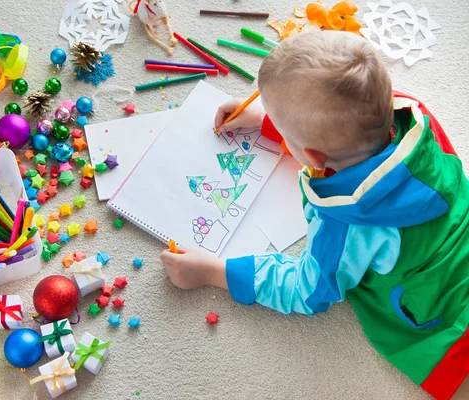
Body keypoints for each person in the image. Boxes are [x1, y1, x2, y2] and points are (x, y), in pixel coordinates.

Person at [160, 30, 469, 400]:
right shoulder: (411, 112)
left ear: (313, 156)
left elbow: (309, 291)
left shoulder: (345, 222)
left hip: (448, 325)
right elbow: (340, 135)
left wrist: (215, 272)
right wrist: (269, 122)